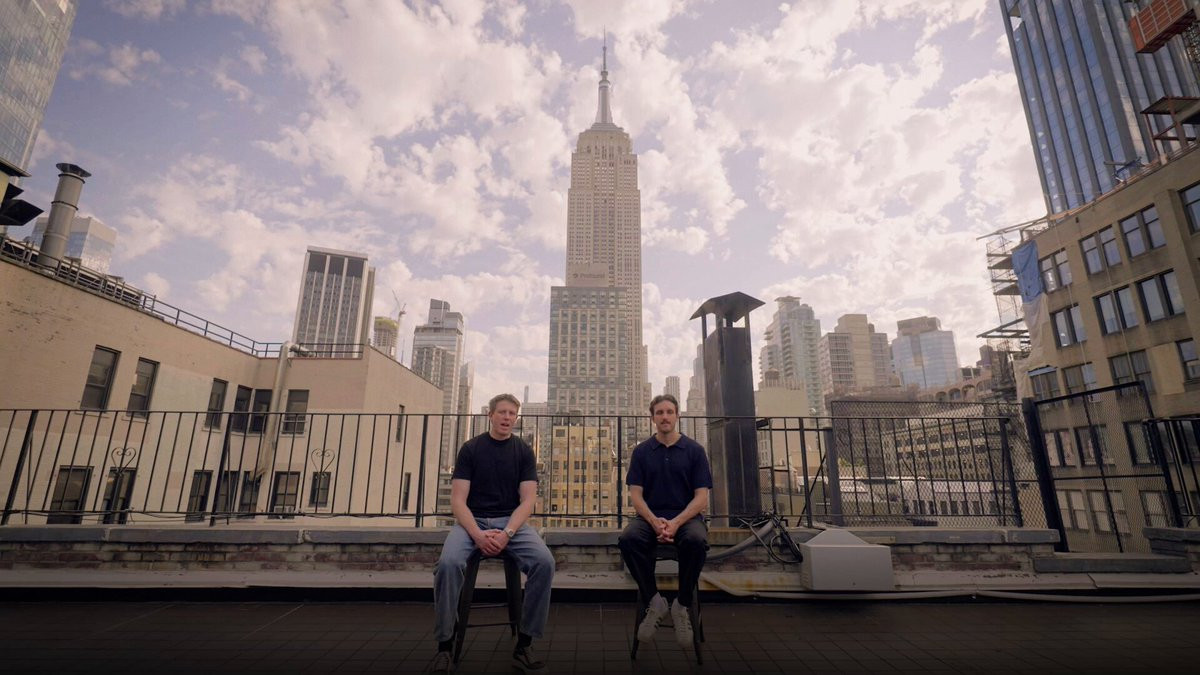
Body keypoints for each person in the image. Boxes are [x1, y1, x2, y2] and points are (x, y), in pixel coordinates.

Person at [430, 393, 554, 674]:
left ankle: (525, 643)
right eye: (502, 412)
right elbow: (458, 501)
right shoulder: (471, 449)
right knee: (448, 564)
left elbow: (528, 501)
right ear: (490, 415)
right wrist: (477, 534)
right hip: (472, 522)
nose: (507, 418)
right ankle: (444, 646)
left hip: (511, 523)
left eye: (512, 414)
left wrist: (507, 533)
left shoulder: (523, 451)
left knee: (544, 562)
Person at [618, 393, 712, 649]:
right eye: (659, 413)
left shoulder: (694, 451)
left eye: (669, 412)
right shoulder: (641, 452)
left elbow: (701, 497)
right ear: (653, 418)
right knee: (628, 539)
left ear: (677, 415)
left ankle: (682, 604)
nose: (665, 417)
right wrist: (653, 520)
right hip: (650, 517)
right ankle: (655, 601)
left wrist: (676, 522)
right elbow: (635, 495)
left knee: (696, 541)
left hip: (686, 518)